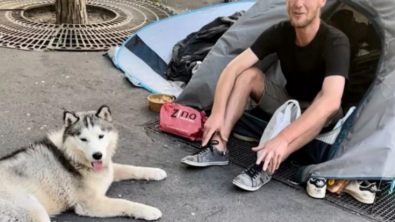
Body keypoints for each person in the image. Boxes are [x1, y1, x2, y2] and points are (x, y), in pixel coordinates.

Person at [181, 0, 350, 192]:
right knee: (247, 75)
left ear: (322, 2)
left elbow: (331, 101)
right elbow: (232, 68)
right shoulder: (280, 31)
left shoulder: (336, 41)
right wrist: (217, 112)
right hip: (290, 102)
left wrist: (283, 138)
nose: (298, 4)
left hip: (322, 113)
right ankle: (218, 147)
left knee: (322, 104)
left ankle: (265, 165)